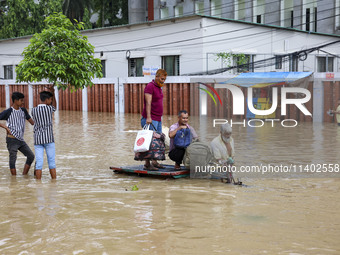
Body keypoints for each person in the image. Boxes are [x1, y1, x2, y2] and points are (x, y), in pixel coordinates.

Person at [0, 92, 35, 176]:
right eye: (21, 100)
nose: (23, 102)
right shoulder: (8, 111)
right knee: (13, 159)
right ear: (15, 101)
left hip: (20, 140)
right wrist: (6, 127)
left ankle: (24, 175)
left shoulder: (23, 110)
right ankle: (14, 179)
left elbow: (32, 122)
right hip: (11, 139)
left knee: (31, 156)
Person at [141, 69, 167, 170]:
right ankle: (147, 164)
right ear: (156, 77)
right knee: (149, 141)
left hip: (157, 118)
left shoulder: (159, 87)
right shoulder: (150, 86)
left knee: (157, 141)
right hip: (150, 119)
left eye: (164, 79)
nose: (163, 81)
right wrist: (148, 117)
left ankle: (154, 162)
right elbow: (148, 103)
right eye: (161, 79)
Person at [31, 86, 57, 179]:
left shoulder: (33, 110)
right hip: (49, 139)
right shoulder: (50, 109)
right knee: (51, 162)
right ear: (47, 100)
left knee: (39, 162)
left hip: (38, 139)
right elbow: (55, 107)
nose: (51, 101)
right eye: (50, 99)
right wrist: (53, 93)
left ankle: (38, 183)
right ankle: (54, 182)